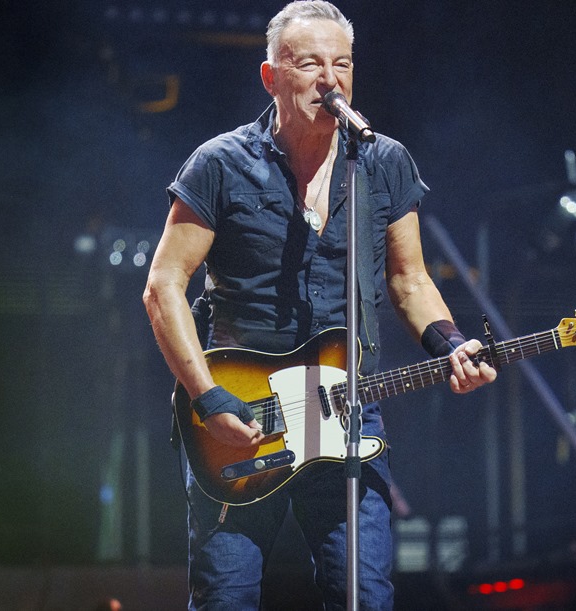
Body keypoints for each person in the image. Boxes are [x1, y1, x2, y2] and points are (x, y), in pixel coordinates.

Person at [142, 2, 497, 609]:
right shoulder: (221, 164)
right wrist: (208, 398)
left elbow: (409, 280)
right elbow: (163, 284)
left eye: (342, 63)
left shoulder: (382, 162)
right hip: (241, 420)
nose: (330, 79)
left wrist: (449, 342)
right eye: (309, 64)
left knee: (362, 593)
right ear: (271, 76)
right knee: (226, 596)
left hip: (345, 411)